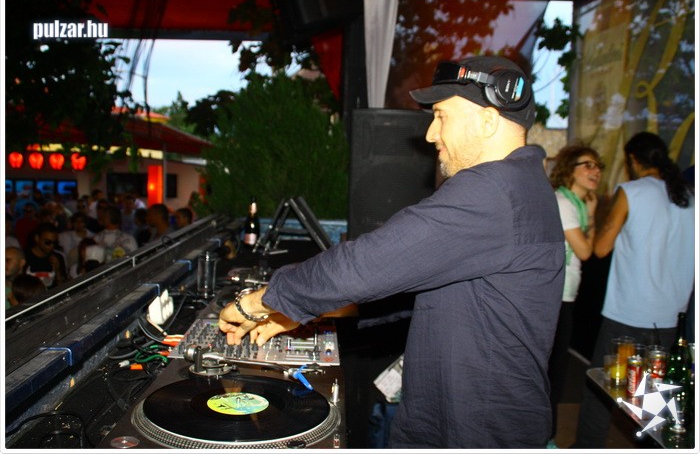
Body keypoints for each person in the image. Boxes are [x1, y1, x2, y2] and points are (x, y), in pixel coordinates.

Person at [218, 56, 565, 448]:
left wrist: (257, 302)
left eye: (441, 116)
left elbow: (363, 264)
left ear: (487, 121)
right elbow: (426, 293)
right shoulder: (521, 187)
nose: (431, 134)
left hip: (475, 433)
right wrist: (298, 311)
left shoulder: (494, 191)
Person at [572, 131, 695, 448]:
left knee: (603, 386)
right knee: (655, 394)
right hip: (669, 317)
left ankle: (588, 447)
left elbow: (601, 248)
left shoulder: (631, 192)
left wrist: (595, 213)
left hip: (627, 313)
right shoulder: (690, 197)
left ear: (633, 160)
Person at [546, 145, 603, 447]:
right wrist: (591, 215)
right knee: (552, 372)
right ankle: (545, 437)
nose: (596, 171)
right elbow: (584, 250)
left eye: (599, 166)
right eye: (588, 165)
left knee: (554, 370)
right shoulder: (563, 203)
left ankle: (544, 435)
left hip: (562, 295)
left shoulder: (575, 205)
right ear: (570, 168)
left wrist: (590, 214)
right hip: (553, 296)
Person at [23, 222, 67, 288]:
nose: (52, 246)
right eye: (47, 242)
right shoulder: (24, 257)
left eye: (55, 243)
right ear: (37, 238)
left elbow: (64, 287)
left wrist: (58, 271)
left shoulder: (58, 258)